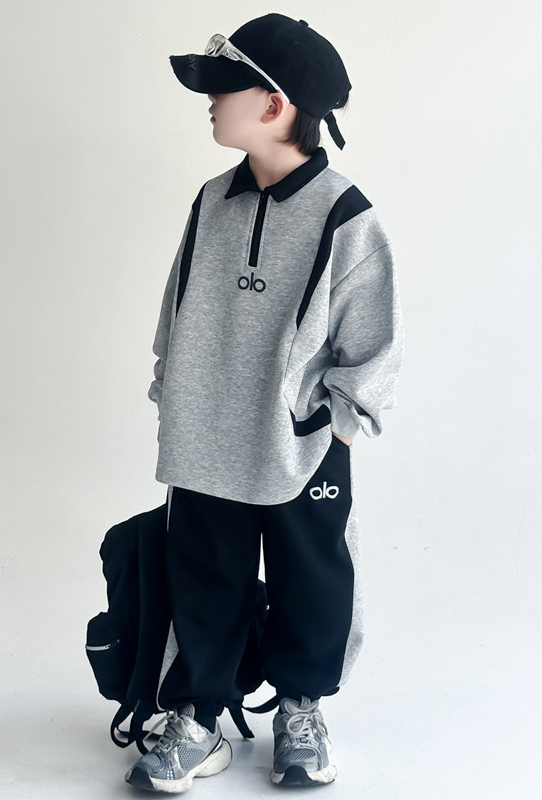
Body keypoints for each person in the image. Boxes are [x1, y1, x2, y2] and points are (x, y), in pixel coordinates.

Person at [124, 12, 405, 793]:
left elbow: (374, 344)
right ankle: (199, 717)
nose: (210, 102)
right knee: (202, 575)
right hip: (205, 437)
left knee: (311, 580)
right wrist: (173, 394)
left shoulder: (347, 216)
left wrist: (336, 426)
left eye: (224, 89)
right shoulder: (213, 199)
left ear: (275, 106)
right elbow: (179, 306)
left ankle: (300, 709)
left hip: (301, 445)